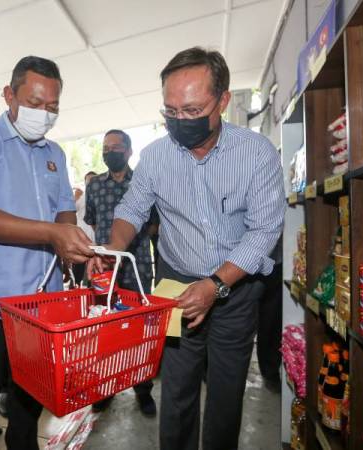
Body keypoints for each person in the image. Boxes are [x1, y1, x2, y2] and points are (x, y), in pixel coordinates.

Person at [88, 47, 285, 450]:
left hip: (236, 288)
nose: (180, 122)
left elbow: (265, 230)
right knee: (176, 392)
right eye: (170, 112)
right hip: (175, 287)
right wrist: (112, 247)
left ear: (224, 100)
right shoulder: (156, 156)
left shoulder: (257, 153)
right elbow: (132, 208)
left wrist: (216, 285)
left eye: (192, 111)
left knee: (227, 393)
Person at [0, 55, 93, 450]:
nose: (43, 115)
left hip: (39, 303)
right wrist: (53, 232)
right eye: (34, 103)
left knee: (29, 403)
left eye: (53, 108)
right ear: (9, 95)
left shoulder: (55, 154)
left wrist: (74, 243)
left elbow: (64, 208)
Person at [84, 130, 157, 416]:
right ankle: (105, 388)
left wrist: (128, 240)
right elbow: (91, 221)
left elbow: (153, 224)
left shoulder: (143, 182)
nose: (109, 151)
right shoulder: (94, 186)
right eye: (105, 147)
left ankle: (143, 389)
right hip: (104, 270)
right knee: (104, 329)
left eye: (116, 147)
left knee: (140, 331)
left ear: (128, 151)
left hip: (137, 267)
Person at [256, 238, 283, 389]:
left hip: (274, 263)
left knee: (271, 319)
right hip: (235, 262)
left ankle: (270, 371)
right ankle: (209, 370)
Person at [72, 170, 97, 285]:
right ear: (85, 181)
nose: (91, 181)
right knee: (78, 265)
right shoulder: (80, 194)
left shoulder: (100, 196)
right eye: (88, 179)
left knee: (92, 269)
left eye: (93, 179)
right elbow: (71, 210)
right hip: (80, 234)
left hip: (94, 236)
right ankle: (75, 286)